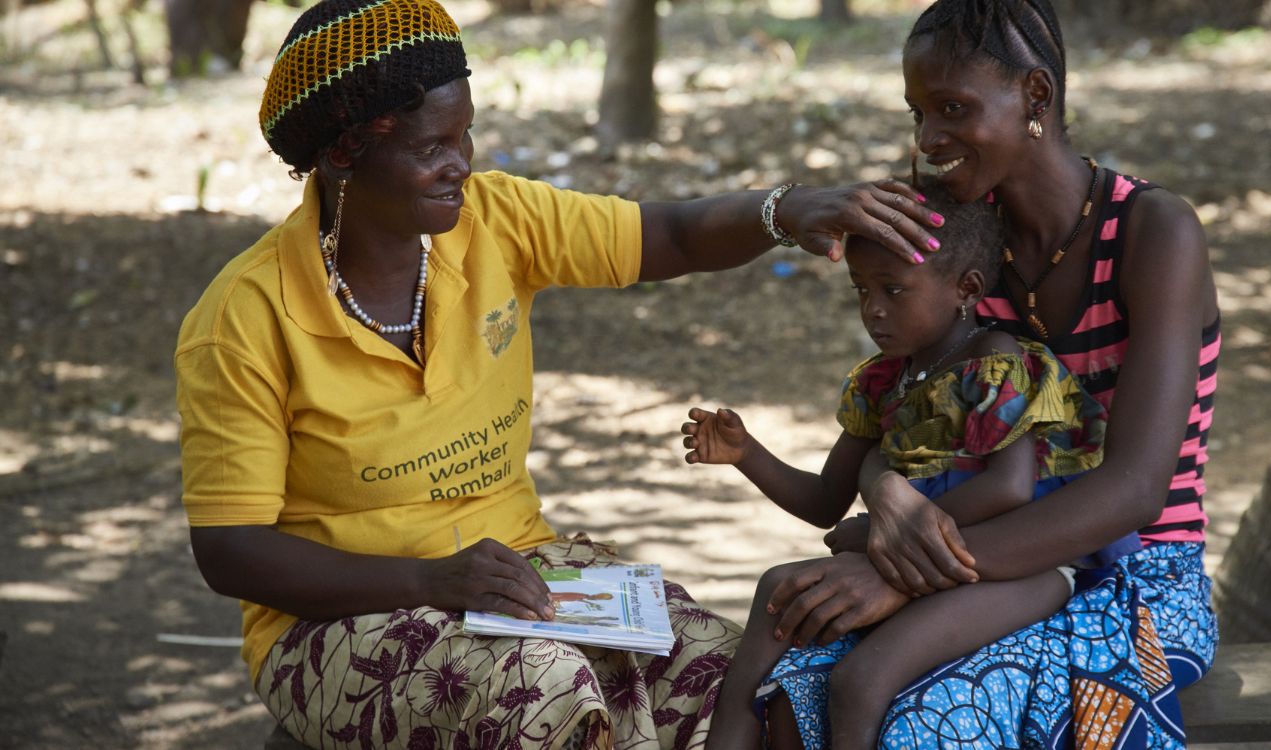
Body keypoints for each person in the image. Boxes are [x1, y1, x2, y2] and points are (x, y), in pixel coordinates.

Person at [172, 2, 935, 748]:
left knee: (729, 674)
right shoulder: (243, 317)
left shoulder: (494, 221)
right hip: (332, 625)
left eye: (465, 135)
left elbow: (665, 234)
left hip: (523, 576)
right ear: (344, 152)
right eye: (433, 146)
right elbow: (231, 549)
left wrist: (785, 210)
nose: (461, 166)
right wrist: (428, 583)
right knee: (545, 692)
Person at [754, 1, 1223, 748]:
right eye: (916, 114)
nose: (927, 140)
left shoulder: (1151, 232)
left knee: (933, 722)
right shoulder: (965, 253)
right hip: (972, 559)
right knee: (790, 696)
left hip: (1130, 576)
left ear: (1034, 97)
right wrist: (883, 492)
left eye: (951, 109)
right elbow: (901, 417)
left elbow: (1135, 489)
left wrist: (903, 574)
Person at [682, 178, 1137, 750]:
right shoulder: (882, 380)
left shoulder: (993, 361)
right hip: (923, 557)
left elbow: (1009, 489)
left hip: (1016, 566)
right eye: (860, 290)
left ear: (965, 289)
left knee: (862, 680)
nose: (873, 310)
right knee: (777, 589)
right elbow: (825, 500)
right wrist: (746, 455)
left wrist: (882, 534)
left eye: (894, 290)